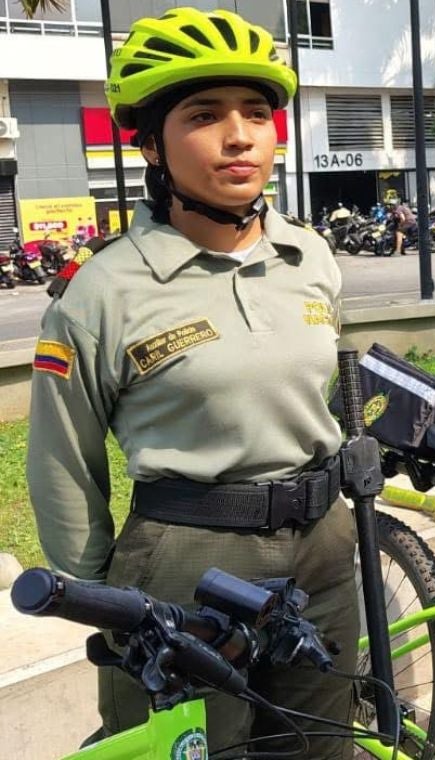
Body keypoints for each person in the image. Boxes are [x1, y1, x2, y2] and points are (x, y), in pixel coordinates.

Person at [25, 7, 356, 758]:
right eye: (204, 116)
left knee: (324, 744)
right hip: (187, 563)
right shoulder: (105, 289)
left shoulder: (312, 258)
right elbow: (61, 465)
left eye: (256, 113)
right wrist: (103, 604)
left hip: (323, 548)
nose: (239, 136)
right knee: (196, 748)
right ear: (149, 141)